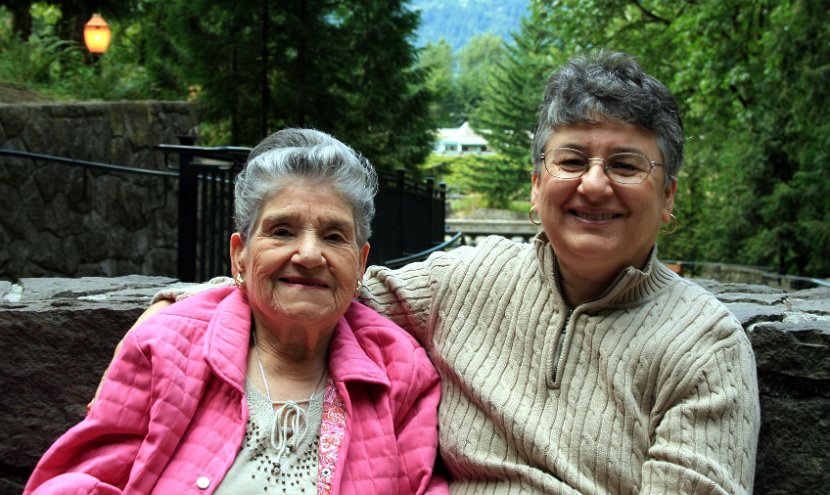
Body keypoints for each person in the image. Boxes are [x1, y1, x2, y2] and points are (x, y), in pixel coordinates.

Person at [102, 50, 761, 494]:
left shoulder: (706, 348)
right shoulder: (464, 282)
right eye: (571, 161)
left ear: (668, 194)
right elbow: (326, 285)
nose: (593, 184)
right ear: (536, 185)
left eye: (625, 164)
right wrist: (191, 299)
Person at [24, 129, 447, 494]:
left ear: (360, 262)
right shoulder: (168, 344)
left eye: (334, 236)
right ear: (239, 256)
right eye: (282, 231)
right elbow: (83, 480)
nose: (309, 254)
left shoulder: (399, 370)